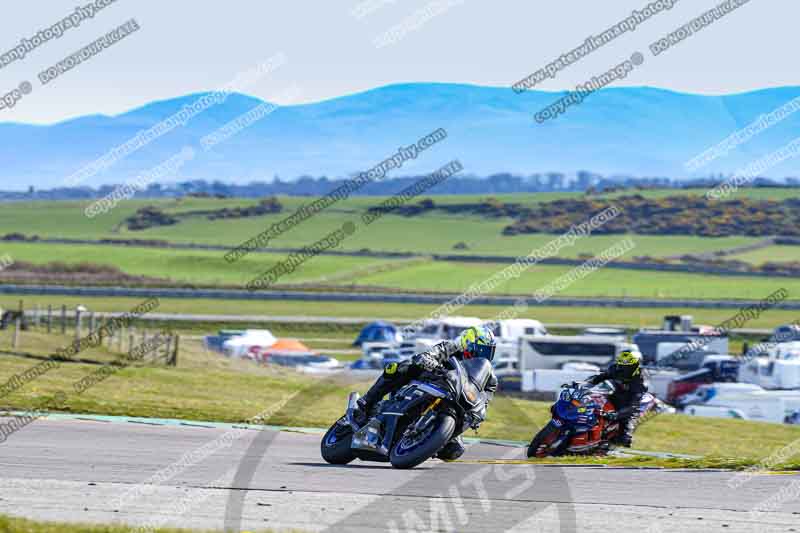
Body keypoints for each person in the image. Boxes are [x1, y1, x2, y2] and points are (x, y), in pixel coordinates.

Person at [353, 325, 499, 460]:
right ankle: (367, 402)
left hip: (456, 402)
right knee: (399, 368)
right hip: (430, 381)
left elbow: (485, 400)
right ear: (468, 344)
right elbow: (429, 354)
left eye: (489, 351)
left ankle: (420, 442)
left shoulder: (489, 378)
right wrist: (429, 360)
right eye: (482, 349)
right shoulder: (450, 348)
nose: (484, 355)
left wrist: (478, 414)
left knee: (455, 450)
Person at [585, 350, 646, 447]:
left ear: (635, 365)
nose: (624, 369)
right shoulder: (614, 369)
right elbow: (601, 377)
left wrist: (616, 415)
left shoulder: (639, 381)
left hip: (627, 402)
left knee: (624, 438)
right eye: (622, 366)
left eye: (628, 366)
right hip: (611, 395)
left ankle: (616, 440)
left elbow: (634, 405)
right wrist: (586, 384)